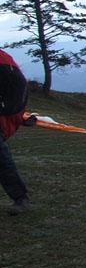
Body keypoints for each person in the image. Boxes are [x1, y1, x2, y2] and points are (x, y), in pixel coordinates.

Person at [0, 49, 30, 215]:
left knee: (2, 159)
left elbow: (18, 88)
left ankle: (20, 197)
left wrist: (7, 110)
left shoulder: (3, 62)